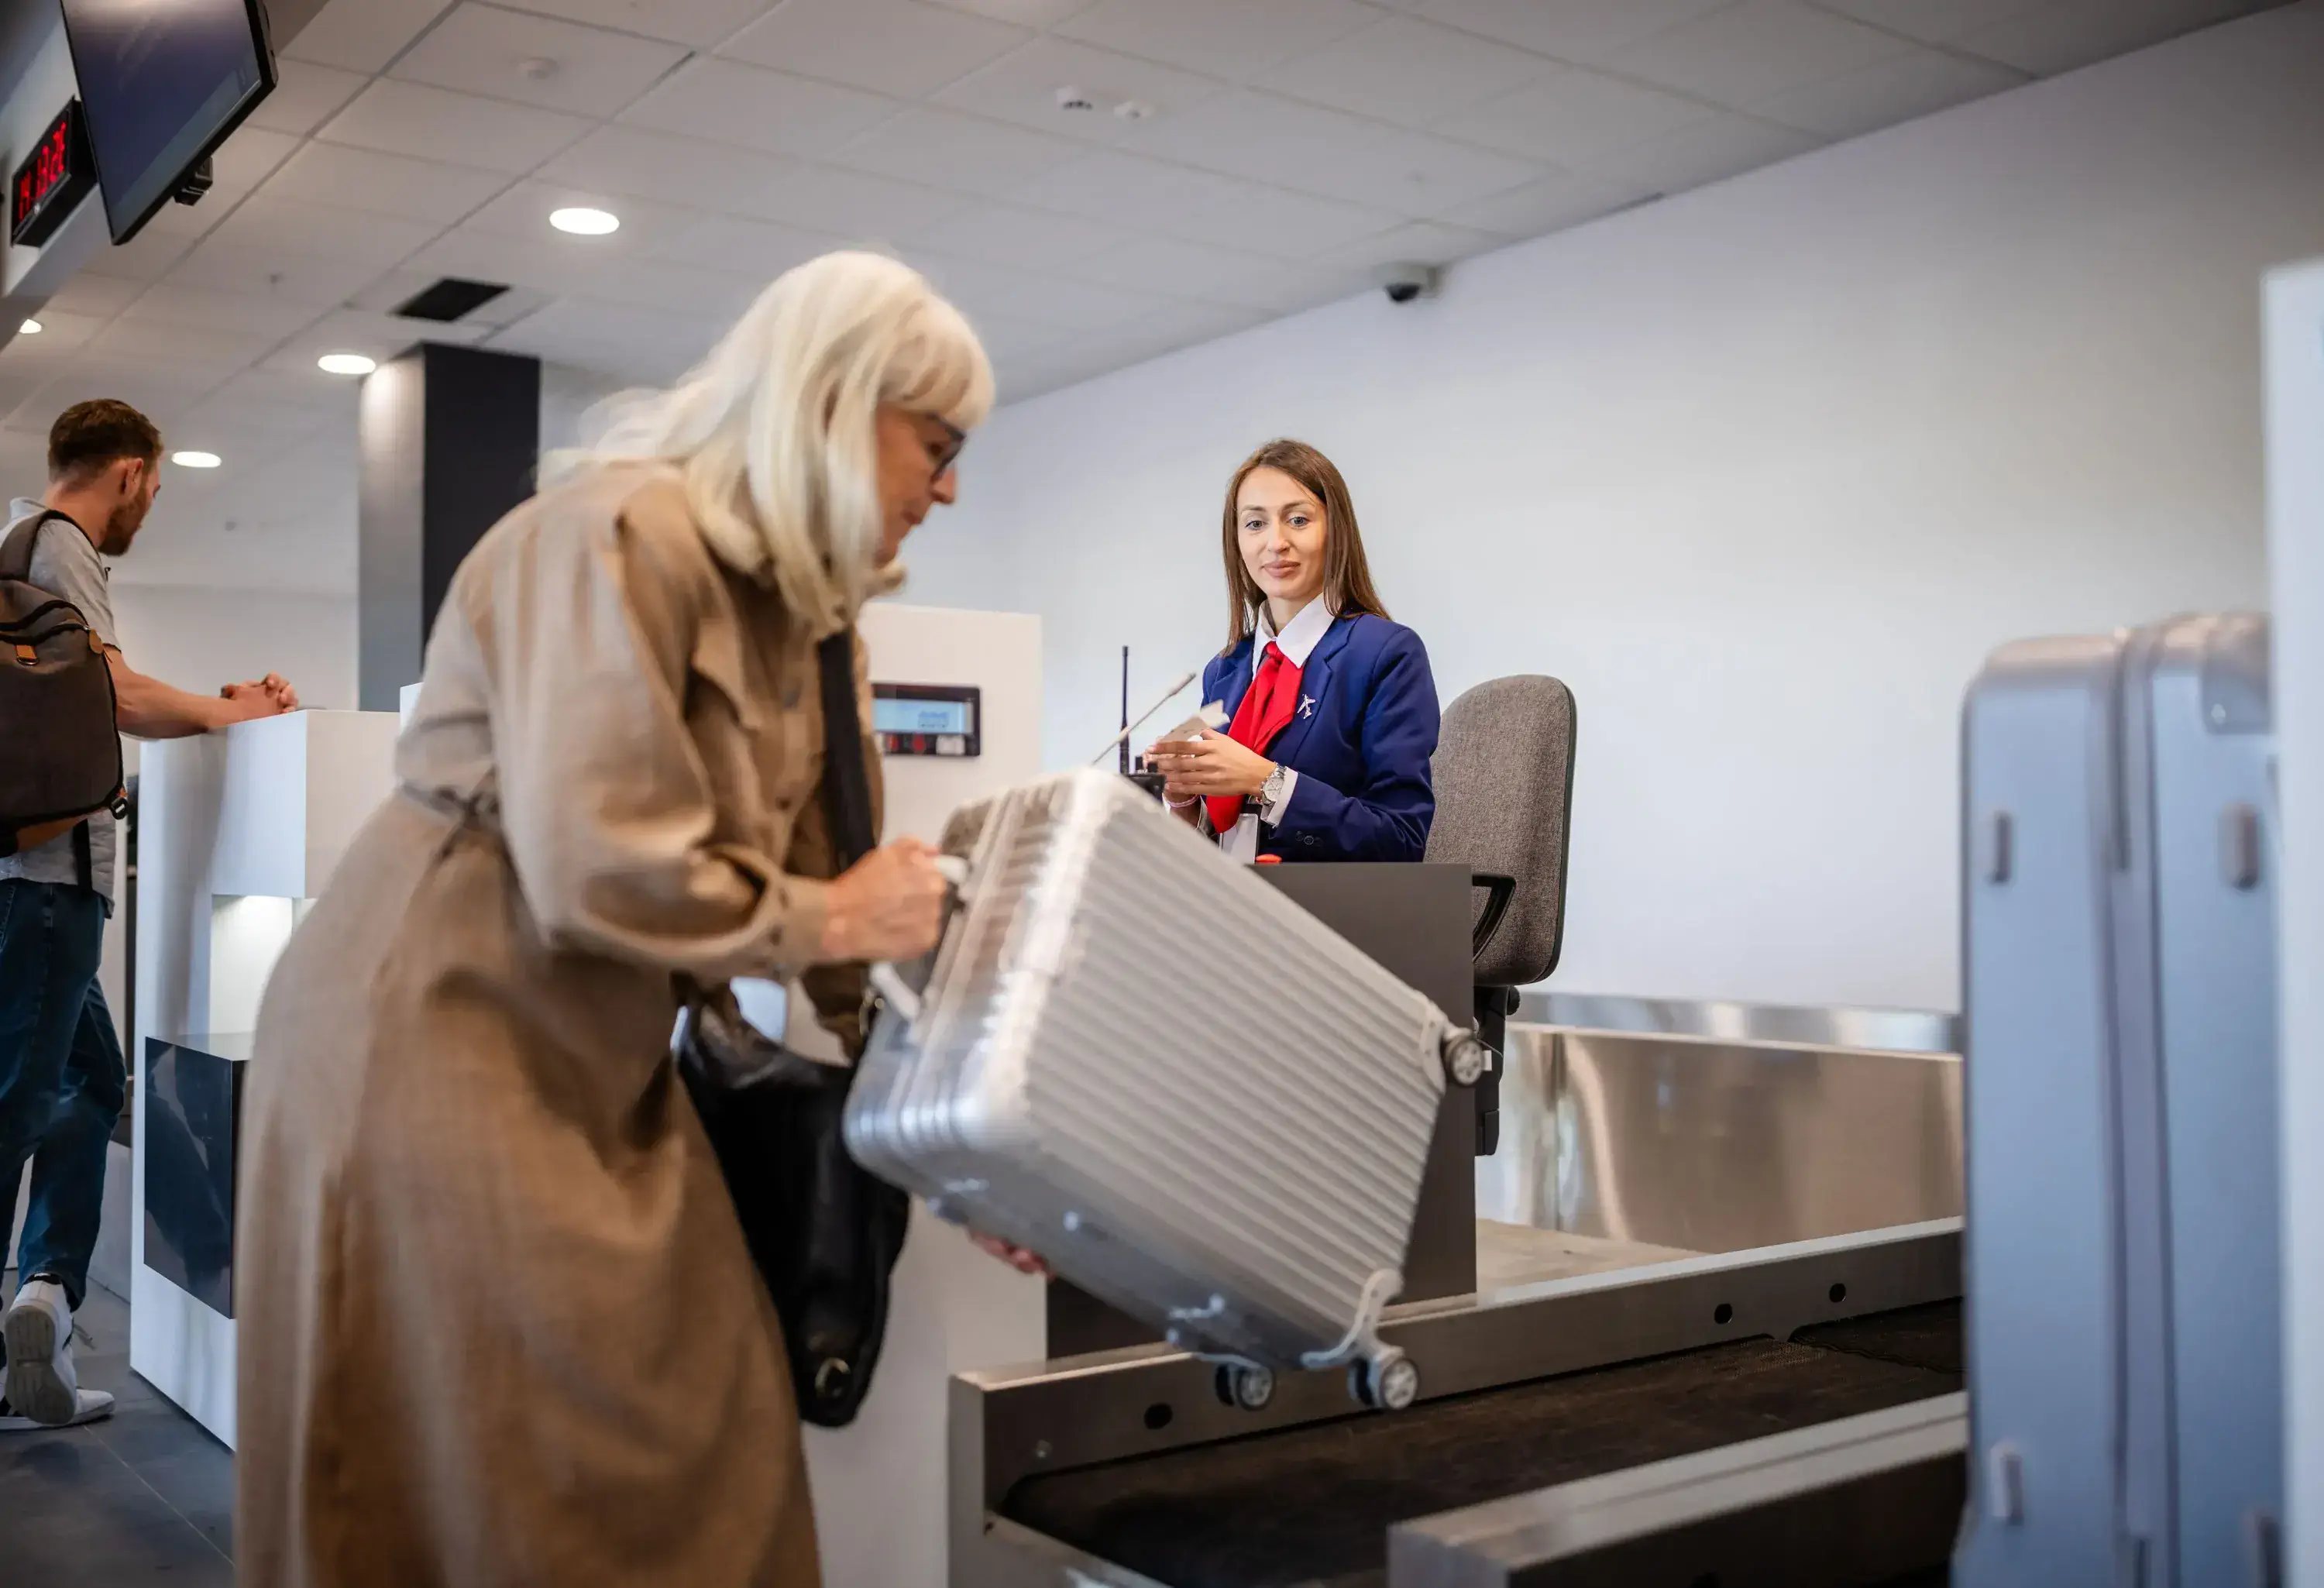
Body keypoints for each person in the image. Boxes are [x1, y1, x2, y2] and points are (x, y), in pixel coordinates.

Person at [233, 252, 1001, 1588]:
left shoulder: (816, 622)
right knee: (481, 1460)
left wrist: (974, 1141)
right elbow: (604, 865)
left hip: (598, 1053)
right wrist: (835, 917)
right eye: (934, 445)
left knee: (697, 1435)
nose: (947, 488)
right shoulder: (618, 535)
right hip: (434, 1031)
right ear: (834, 402)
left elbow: (845, 932)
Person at [1, 399, 297, 1432]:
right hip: (44, 882)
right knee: (14, 1107)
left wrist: (219, 707)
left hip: (37, 880)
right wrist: (239, 713)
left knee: (90, 1081)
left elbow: (101, 685)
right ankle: (38, 1296)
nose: (151, 508)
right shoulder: (61, 542)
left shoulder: (22, 542)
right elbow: (115, 695)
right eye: (157, 489)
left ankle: (45, 1298)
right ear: (129, 473)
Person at [1148, 438, 1439, 862]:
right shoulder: (1224, 670)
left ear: (1334, 530)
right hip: (1228, 907)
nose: (1276, 543)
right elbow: (1226, 836)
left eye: (1298, 520)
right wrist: (1185, 798)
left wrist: (1267, 781)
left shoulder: (1385, 655)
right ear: (1237, 542)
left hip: (1325, 916)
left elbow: (1402, 839)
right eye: (1254, 524)